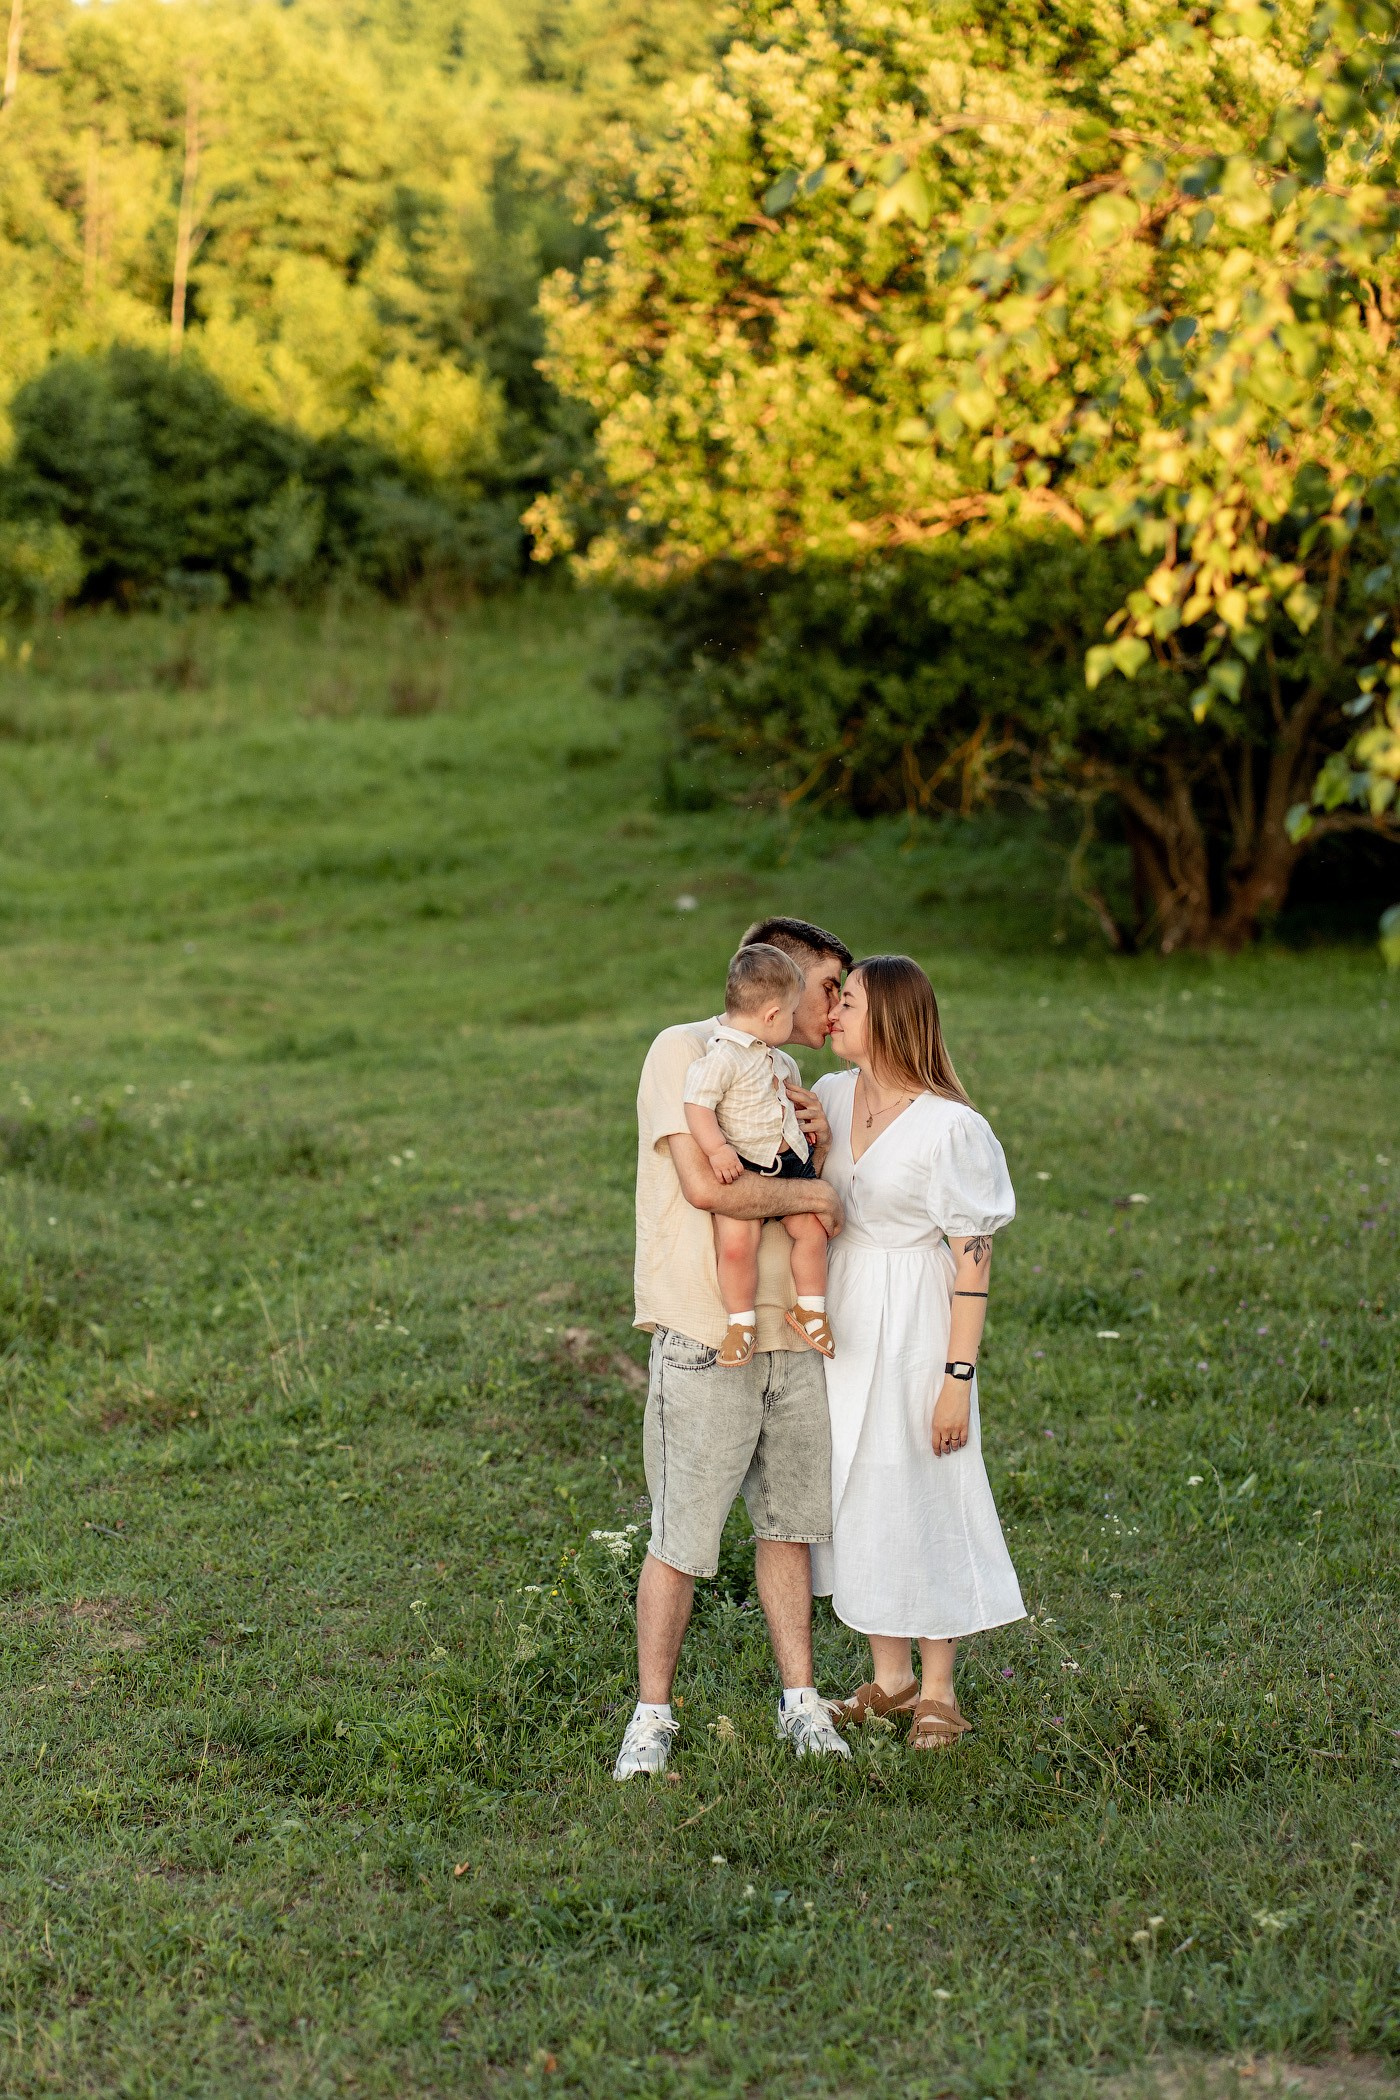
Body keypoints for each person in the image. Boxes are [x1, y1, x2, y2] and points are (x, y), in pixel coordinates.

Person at [614, 916, 855, 1781]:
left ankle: (801, 1702)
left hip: (796, 1330)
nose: (835, 1009)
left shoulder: (793, 1075)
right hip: (708, 1329)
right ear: (783, 978)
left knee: (790, 1526)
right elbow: (705, 1186)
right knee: (681, 1533)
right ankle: (651, 1716)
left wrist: (814, 1145)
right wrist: (811, 1193)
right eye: (830, 987)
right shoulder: (680, 1050)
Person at [809, 955, 1025, 1751]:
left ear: (891, 1016)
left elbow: (974, 1257)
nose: (831, 1014)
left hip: (917, 1319)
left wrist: (955, 1381)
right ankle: (889, 1678)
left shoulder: (950, 1126)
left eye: (848, 1002)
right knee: (859, 1484)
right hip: (846, 1311)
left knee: (925, 1479)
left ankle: (939, 1689)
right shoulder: (831, 1095)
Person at [682, 943, 834, 1369]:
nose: (792, 1022)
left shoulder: (778, 1059)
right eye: (789, 1013)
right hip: (745, 1165)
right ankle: (740, 1322)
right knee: (736, 1245)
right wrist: (716, 1149)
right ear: (771, 1016)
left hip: (789, 1163)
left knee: (812, 1230)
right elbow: (698, 1105)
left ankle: (811, 1307)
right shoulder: (721, 1056)